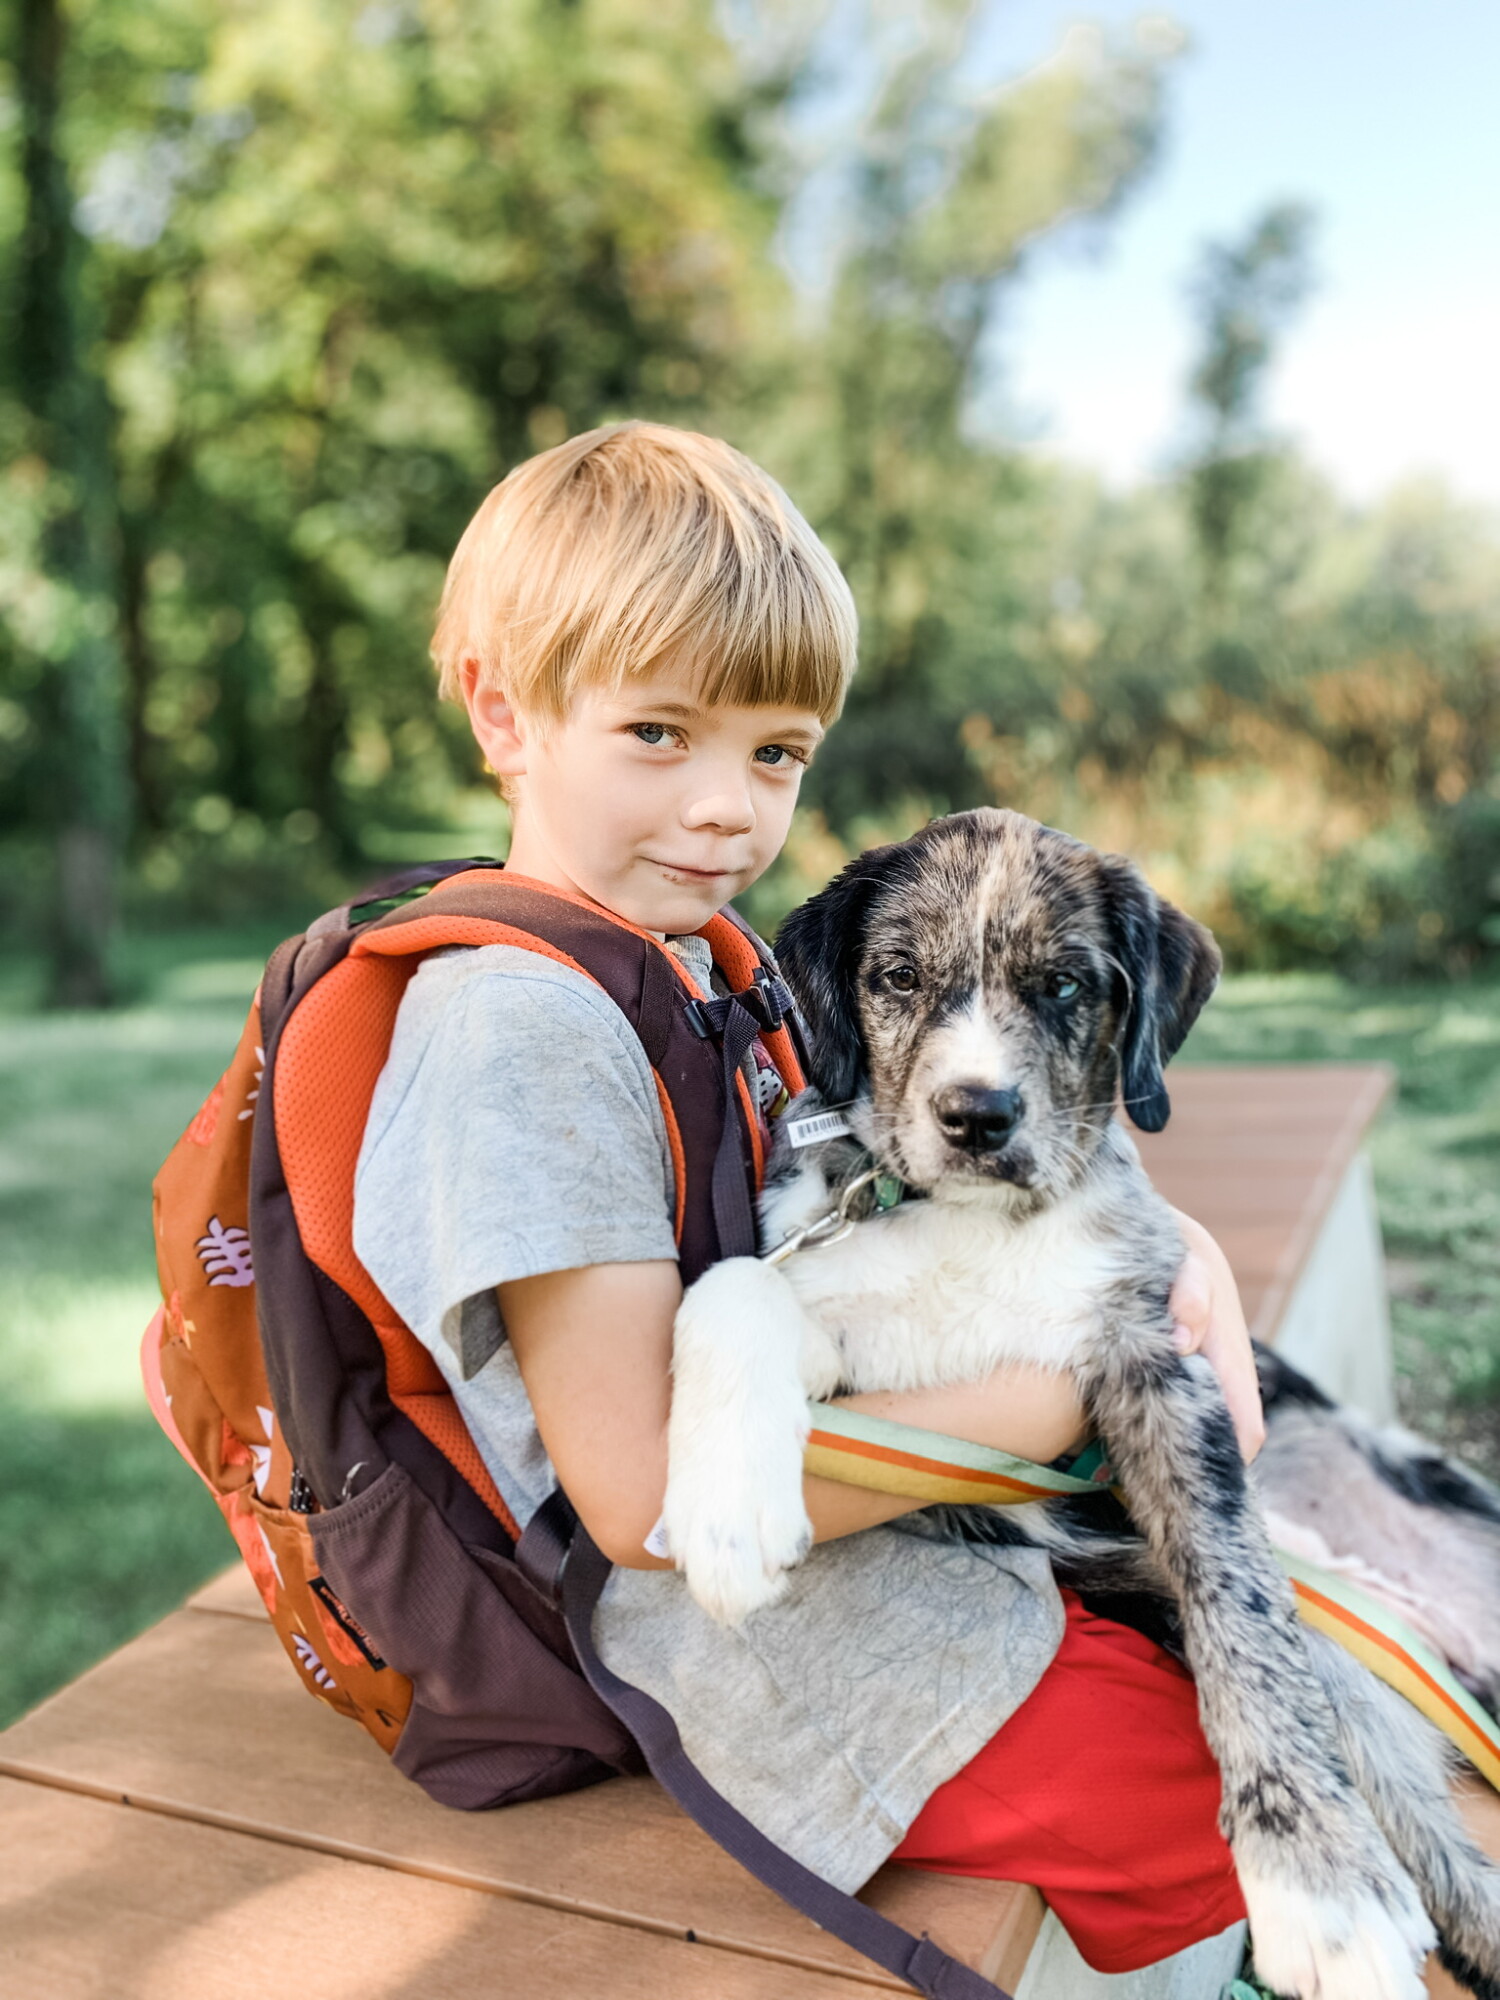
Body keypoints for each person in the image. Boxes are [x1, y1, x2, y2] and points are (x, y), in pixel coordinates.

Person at [352, 420, 1258, 1975]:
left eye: (774, 755)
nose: (728, 811)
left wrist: (1180, 1268)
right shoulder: (520, 1027)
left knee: (1316, 1678)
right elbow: (642, 1502)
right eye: (660, 736)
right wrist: (1066, 1404)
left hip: (888, 1515)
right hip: (732, 1633)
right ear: (504, 712)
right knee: (1220, 1792)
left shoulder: (706, 963)